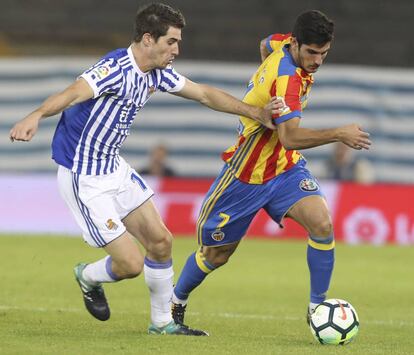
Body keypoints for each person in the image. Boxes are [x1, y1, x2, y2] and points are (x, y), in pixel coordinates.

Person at [9, 3, 282, 336]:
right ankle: (88, 276)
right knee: (130, 265)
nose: (176, 50)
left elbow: (204, 94)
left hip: (114, 168)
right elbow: (72, 93)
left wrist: (255, 112)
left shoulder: (157, 72)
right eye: (171, 42)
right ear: (148, 39)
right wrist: (34, 115)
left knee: (161, 242)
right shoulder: (113, 68)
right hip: (84, 177)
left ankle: (163, 323)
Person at [171, 10, 371, 332]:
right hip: (246, 175)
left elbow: (264, 44)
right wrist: (339, 133)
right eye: (312, 53)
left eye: (324, 53)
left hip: (284, 169)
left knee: (321, 224)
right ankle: (175, 303)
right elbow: (290, 137)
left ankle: (317, 307)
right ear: (296, 44)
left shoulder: (281, 46)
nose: (318, 61)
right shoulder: (289, 80)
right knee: (216, 255)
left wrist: (263, 80)